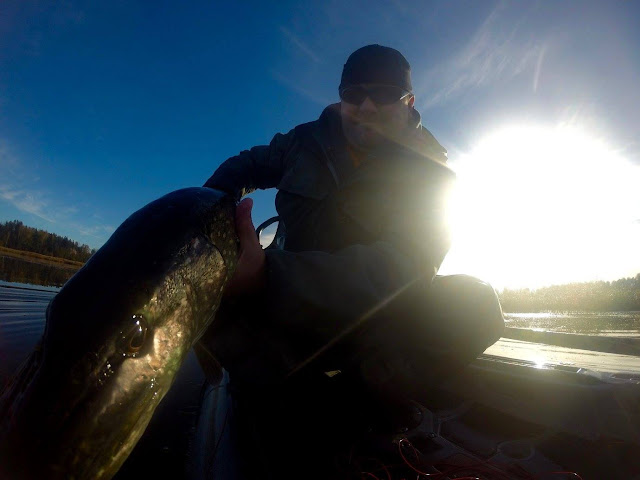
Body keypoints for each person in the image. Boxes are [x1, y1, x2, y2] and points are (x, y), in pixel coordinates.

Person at [199, 45, 504, 479]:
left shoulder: (433, 174)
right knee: (210, 301)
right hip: (284, 315)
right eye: (353, 93)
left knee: (477, 305)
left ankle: (350, 404)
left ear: (409, 102)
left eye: (384, 94)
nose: (366, 106)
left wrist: (267, 274)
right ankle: (282, 391)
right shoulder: (303, 140)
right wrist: (207, 215)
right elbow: (245, 166)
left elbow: (403, 270)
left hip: (369, 324)